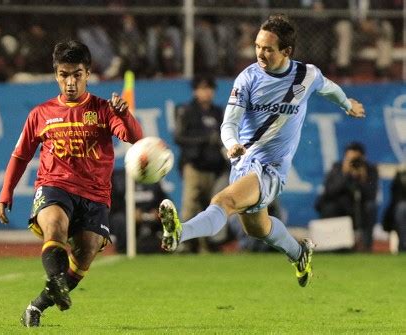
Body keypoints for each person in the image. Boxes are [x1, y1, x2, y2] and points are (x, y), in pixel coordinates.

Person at [158, 14, 365, 287]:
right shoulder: (248, 78)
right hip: (244, 162)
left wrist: (346, 103)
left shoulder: (306, 75)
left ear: (286, 51)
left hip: (271, 169)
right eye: (257, 46)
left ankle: (180, 233)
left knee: (223, 201)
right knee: (258, 228)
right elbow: (229, 123)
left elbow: (329, 88)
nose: (260, 53)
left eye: (268, 48)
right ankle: (299, 254)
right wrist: (231, 143)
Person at [0, 40, 143, 327]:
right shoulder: (41, 114)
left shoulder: (103, 110)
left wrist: (124, 114)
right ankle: (56, 279)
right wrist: (6, 192)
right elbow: (20, 155)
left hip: (95, 195)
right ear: (56, 75)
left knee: (86, 253)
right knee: (55, 226)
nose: (71, 82)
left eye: (77, 74)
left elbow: (136, 140)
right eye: (64, 75)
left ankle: (38, 304)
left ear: (88, 74)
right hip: (55, 185)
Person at [174, 75, 229, 253]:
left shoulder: (218, 112)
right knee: (189, 205)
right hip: (195, 166)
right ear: (195, 91)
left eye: (209, 88)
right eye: (201, 88)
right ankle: (182, 243)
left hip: (215, 168)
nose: (205, 92)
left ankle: (208, 245)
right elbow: (179, 137)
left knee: (211, 207)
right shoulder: (187, 111)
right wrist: (206, 139)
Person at [315, 142, 378, 252]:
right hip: (340, 206)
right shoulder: (337, 168)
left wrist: (362, 178)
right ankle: (333, 248)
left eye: (356, 159)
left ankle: (366, 247)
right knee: (330, 208)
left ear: (363, 158)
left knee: (371, 208)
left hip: (361, 208)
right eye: (350, 159)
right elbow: (330, 192)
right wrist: (344, 174)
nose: (354, 163)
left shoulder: (370, 170)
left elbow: (371, 195)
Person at [110, 169, 169, 254]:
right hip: (126, 217)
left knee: (168, 215)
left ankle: (168, 246)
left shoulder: (153, 179)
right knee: (119, 219)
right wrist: (129, 213)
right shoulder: (119, 179)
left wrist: (158, 211)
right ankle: (123, 249)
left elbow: (163, 200)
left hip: (150, 216)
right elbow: (114, 205)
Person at [382, 166, 406, 252]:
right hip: (400, 208)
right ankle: (404, 245)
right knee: (402, 208)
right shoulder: (401, 176)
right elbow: (396, 197)